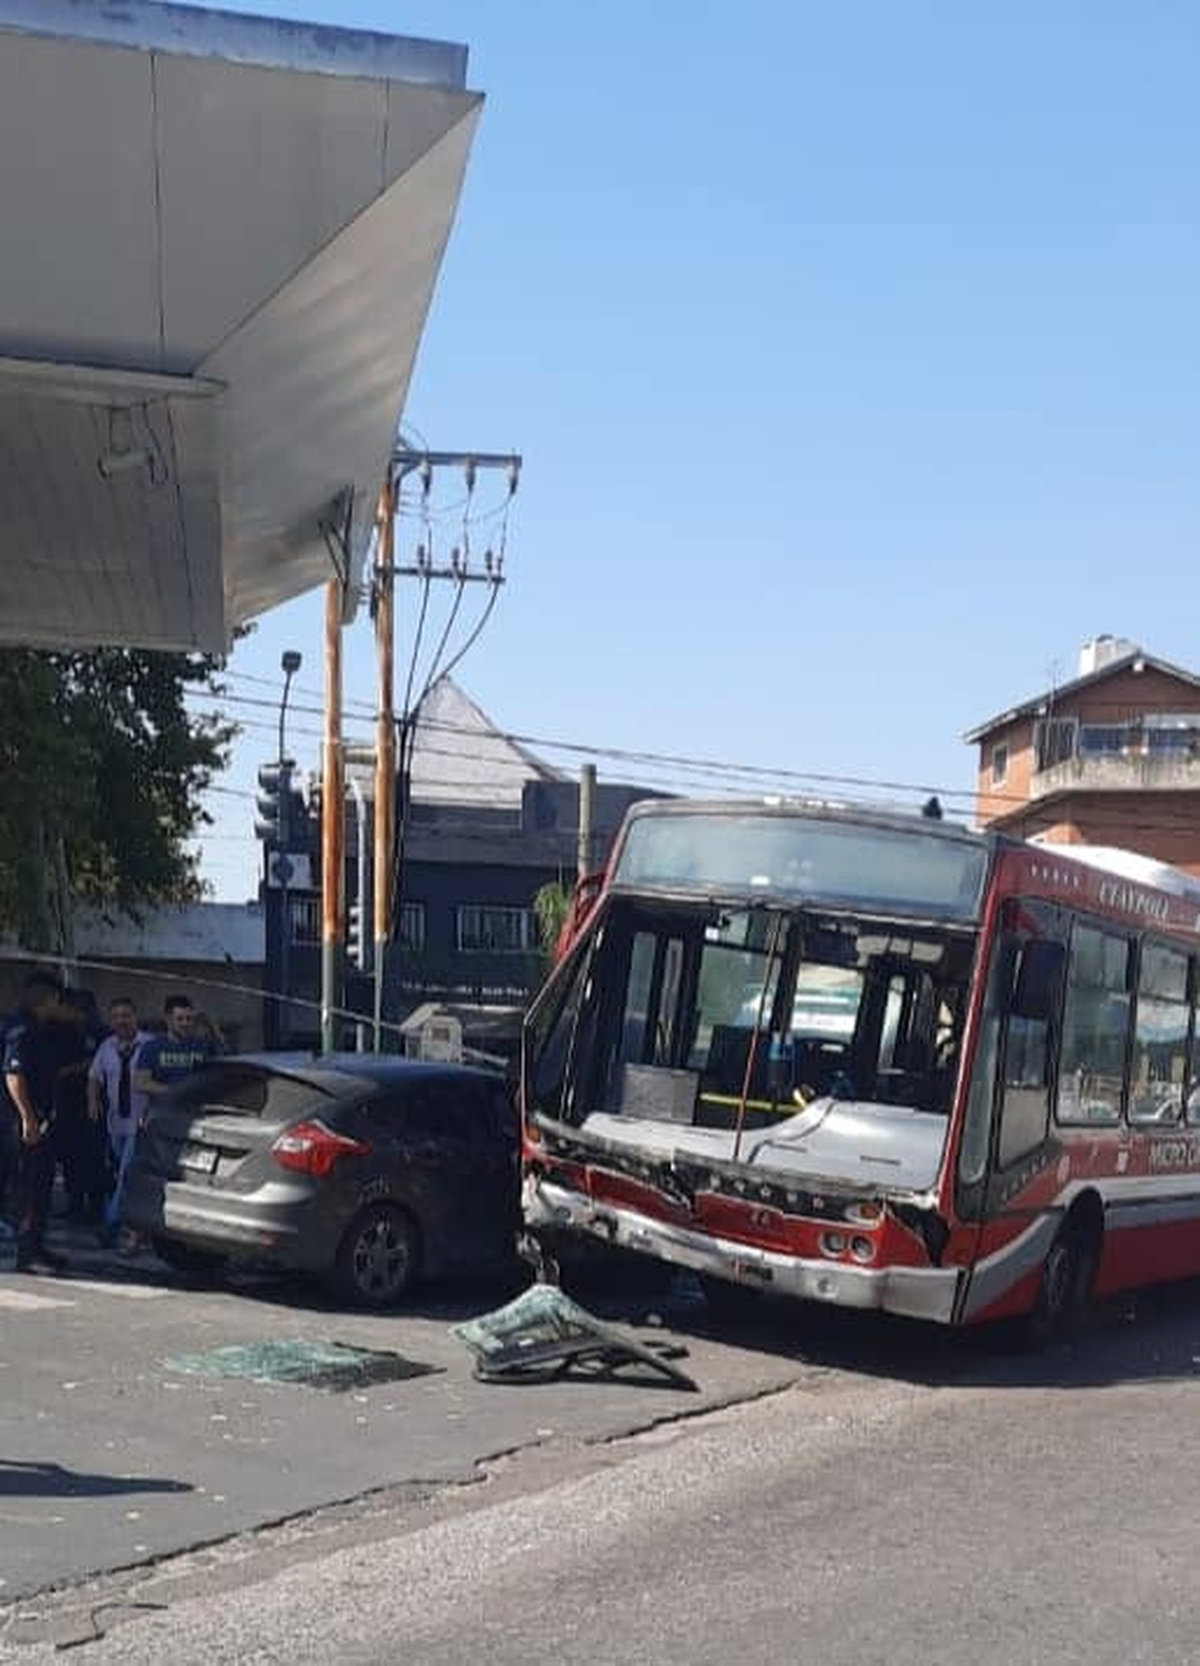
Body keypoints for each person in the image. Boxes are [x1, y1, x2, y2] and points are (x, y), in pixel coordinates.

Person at [3, 971, 70, 1274]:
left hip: (42, 1120)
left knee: (42, 1187)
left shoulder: (42, 1029)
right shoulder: (22, 1030)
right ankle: (26, 1253)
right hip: (22, 1124)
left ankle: (37, 1246)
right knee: (28, 1188)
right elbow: (13, 1075)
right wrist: (27, 1118)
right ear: (49, 998)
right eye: (58, 999)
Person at [87, 996, 150, 1243]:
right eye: (116, 1017)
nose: (121, 1021)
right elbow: (94, 1077)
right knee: (120, 1174)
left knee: (126, 1173)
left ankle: (110, 1224)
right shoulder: (107, 1046)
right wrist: (92, 1100)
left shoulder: (150, 1045)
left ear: (135, 1016)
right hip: (115, 1123)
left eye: (126, 1015)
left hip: (140, 1123)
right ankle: (134, 1225)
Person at [134, 995, 215, 1099]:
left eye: (189, 1019)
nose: (185, 1023)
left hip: (196, 1107)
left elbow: (215, 1078)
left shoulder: (204, 1045)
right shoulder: (151, 1047)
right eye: (179, 1019)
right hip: (164, 1108)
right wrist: (176, 1092)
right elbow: (141, 1083)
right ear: (168, 1019)